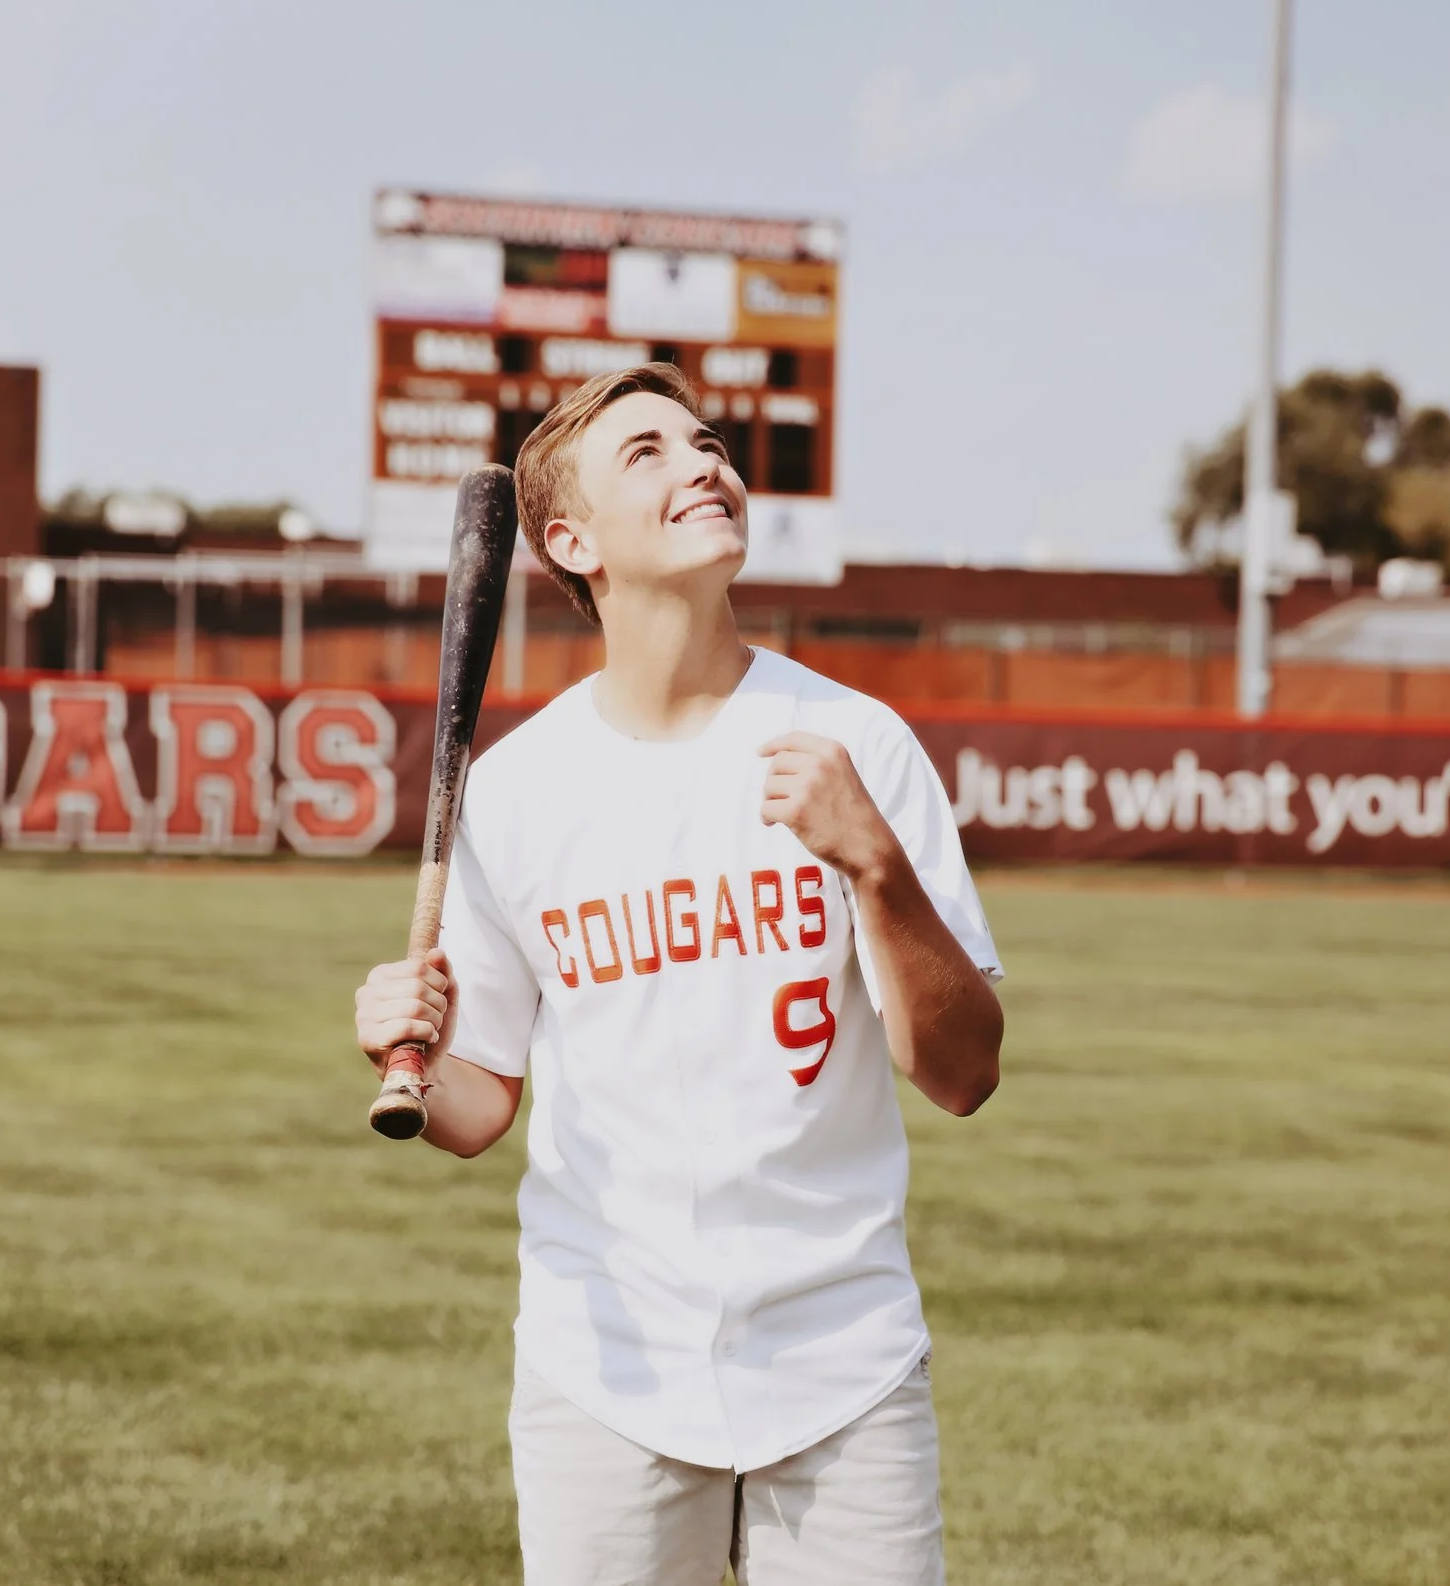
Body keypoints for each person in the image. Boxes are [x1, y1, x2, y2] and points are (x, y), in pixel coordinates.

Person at [353, 362, 1004, 1585]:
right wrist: (408, 1050)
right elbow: (475, 1105)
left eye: (705, 441)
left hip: (842, 1360)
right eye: (646, 452)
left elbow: (964, 1072)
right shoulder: (518, 787)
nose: (703, 460)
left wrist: (876, 866)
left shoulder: (857, 743)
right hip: (606, 1365)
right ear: (570, 540)